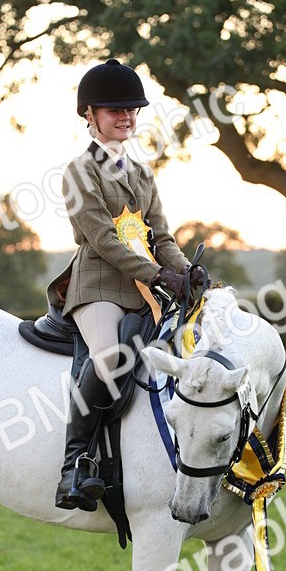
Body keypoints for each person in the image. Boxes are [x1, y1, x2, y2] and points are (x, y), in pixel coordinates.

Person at [47, 57, 193, 512]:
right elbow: (101, 237)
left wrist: (186, 273)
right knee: (110, 358)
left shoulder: (143, 174)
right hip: (97, 286)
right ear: (90, 116)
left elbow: (162, 238)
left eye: (131, 110)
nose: (126, 117)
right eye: (115, 110)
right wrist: (156, 274)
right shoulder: (78, 171)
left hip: (147, 289)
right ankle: (74, 464)